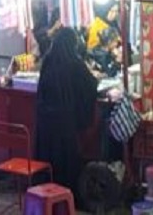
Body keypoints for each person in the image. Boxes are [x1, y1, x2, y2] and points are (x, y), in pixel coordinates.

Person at [35, 27, 98, 204]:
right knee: (66, 159)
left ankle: (45, 192)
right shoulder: (74, 62)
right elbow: (91, 84)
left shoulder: (48, 59)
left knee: (48, 158)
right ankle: (65, 196)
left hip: (45, 121)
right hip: (64, 122)